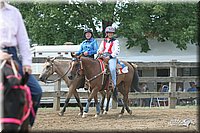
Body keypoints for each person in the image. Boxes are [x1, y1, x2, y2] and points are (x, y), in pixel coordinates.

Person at [0, 1, 42, 128]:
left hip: (12, 56)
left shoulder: (14, 12)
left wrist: (27, 63)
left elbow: (23, 40)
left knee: (36, 91)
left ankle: (26, 125)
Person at [97, 26, 120, 101]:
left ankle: (114, 83)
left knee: (112, 68)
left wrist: (110, 56)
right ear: (106, 33)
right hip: (103, 56)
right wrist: (99, 52)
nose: (110, 34)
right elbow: (100, 49)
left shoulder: (115, 41)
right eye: (109, 33)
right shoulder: (103, 41)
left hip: (111, 57)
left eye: (111, 33)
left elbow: (117, 51)